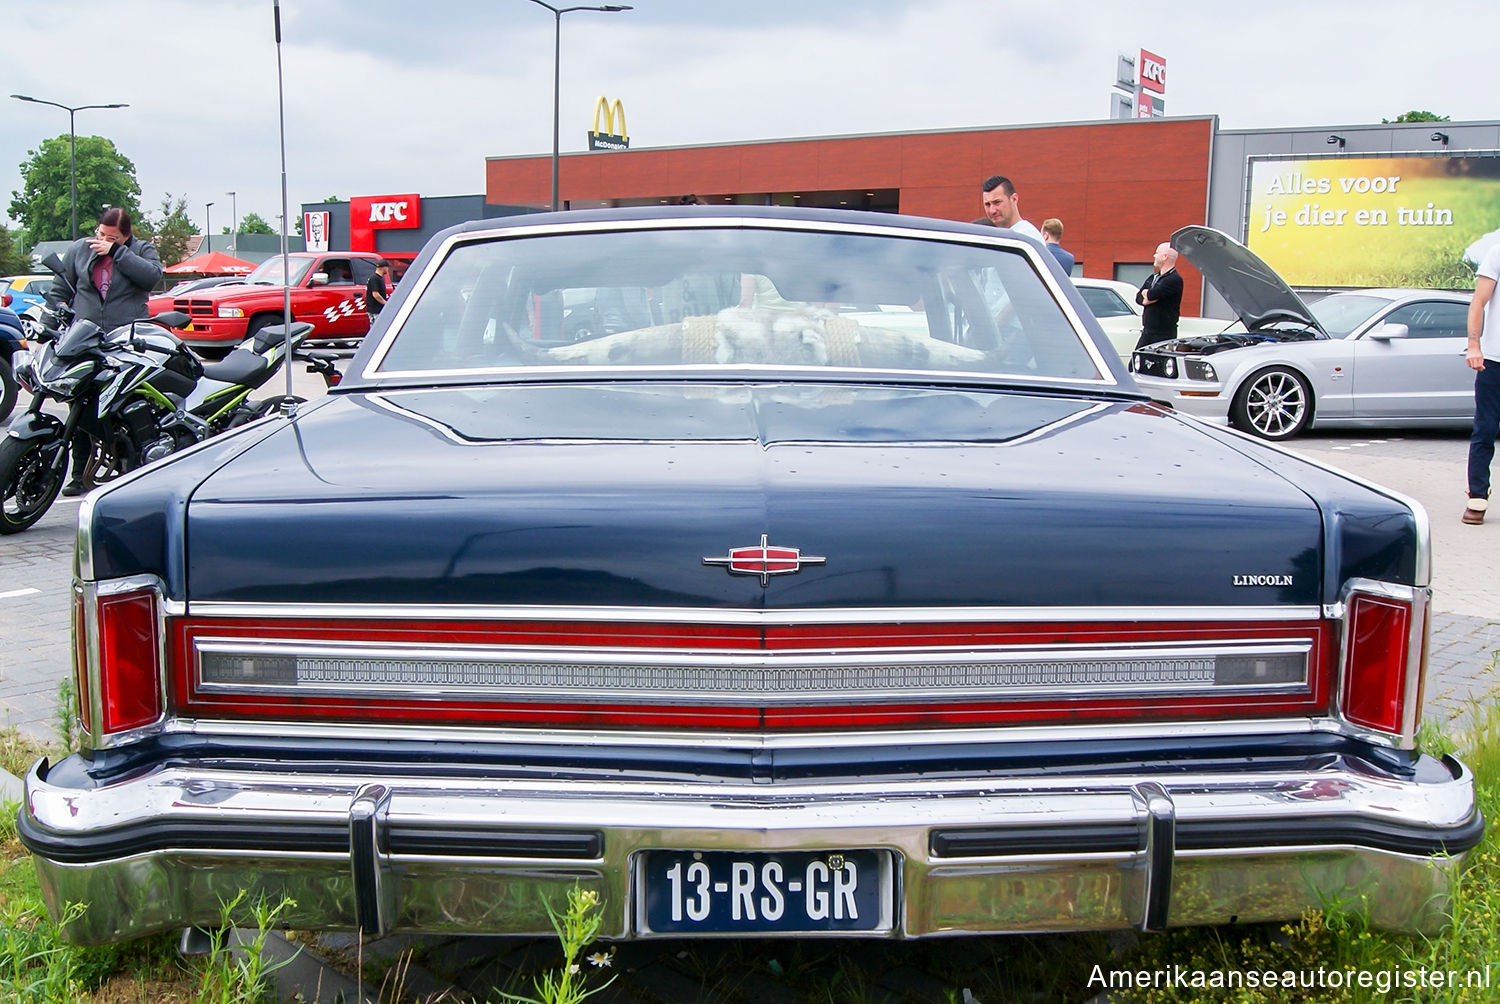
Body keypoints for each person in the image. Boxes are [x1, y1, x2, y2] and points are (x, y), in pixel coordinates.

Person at [49, 208, 163, 496]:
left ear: (126, 236)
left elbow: (152, 278)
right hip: (85, 338)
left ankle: (128, 469)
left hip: (125, 339)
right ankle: (78, 474)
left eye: (111, 237)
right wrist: (60, 309)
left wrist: (118, 252)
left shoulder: (140, 250)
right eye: (100, 234)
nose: (102, 240)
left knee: (122, 405)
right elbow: (60, 288)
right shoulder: (79, 249)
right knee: (81, 405)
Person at [1463, 242, 1500, 525]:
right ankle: (1477, 496)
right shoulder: (1498, 251)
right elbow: (1478, 301)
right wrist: (1474, 346)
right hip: (1496, 360)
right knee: (1486, 428)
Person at [1135, 242, 1183, 349]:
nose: (1154, 256)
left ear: (1165, 256)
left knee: (1159, 363)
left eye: (1157, 253)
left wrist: (1147, 294)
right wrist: (1145, 297)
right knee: (1135, 362)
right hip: (1148, 331)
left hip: (1163, 334)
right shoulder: (1153, 277)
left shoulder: (1174, 279)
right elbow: (1138, 297)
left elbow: (1152, 295)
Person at [980, 175, 1043, 241]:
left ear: (1014, 199)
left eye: (997, 202)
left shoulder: (1028, 238)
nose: (992, 210)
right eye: (987, 204)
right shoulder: (988, 236)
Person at [365, 259, 391, 324]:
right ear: (384, 267)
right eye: (387, 267)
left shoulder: (380, 278)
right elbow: (375, 294)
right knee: (377, 327)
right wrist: (385, 303)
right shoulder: (375, 278)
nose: (388, 269)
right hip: (375, 310)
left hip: (377, 309)